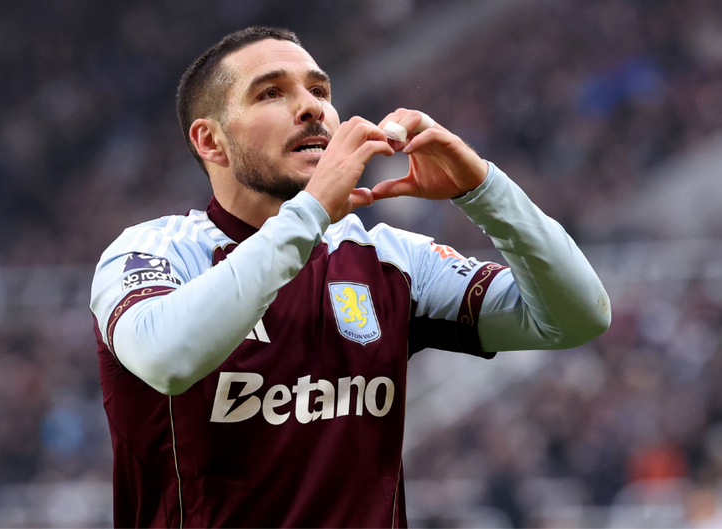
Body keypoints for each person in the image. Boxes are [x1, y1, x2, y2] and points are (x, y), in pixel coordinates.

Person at [90, 26, 611, 528]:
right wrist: (313, 209)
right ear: (211, 141)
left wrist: (483, 191)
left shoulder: (387, 261)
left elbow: (577, 318)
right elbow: (169, 359)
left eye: (320, 90)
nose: (312, 106)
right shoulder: (152, 252)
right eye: (271, 92)